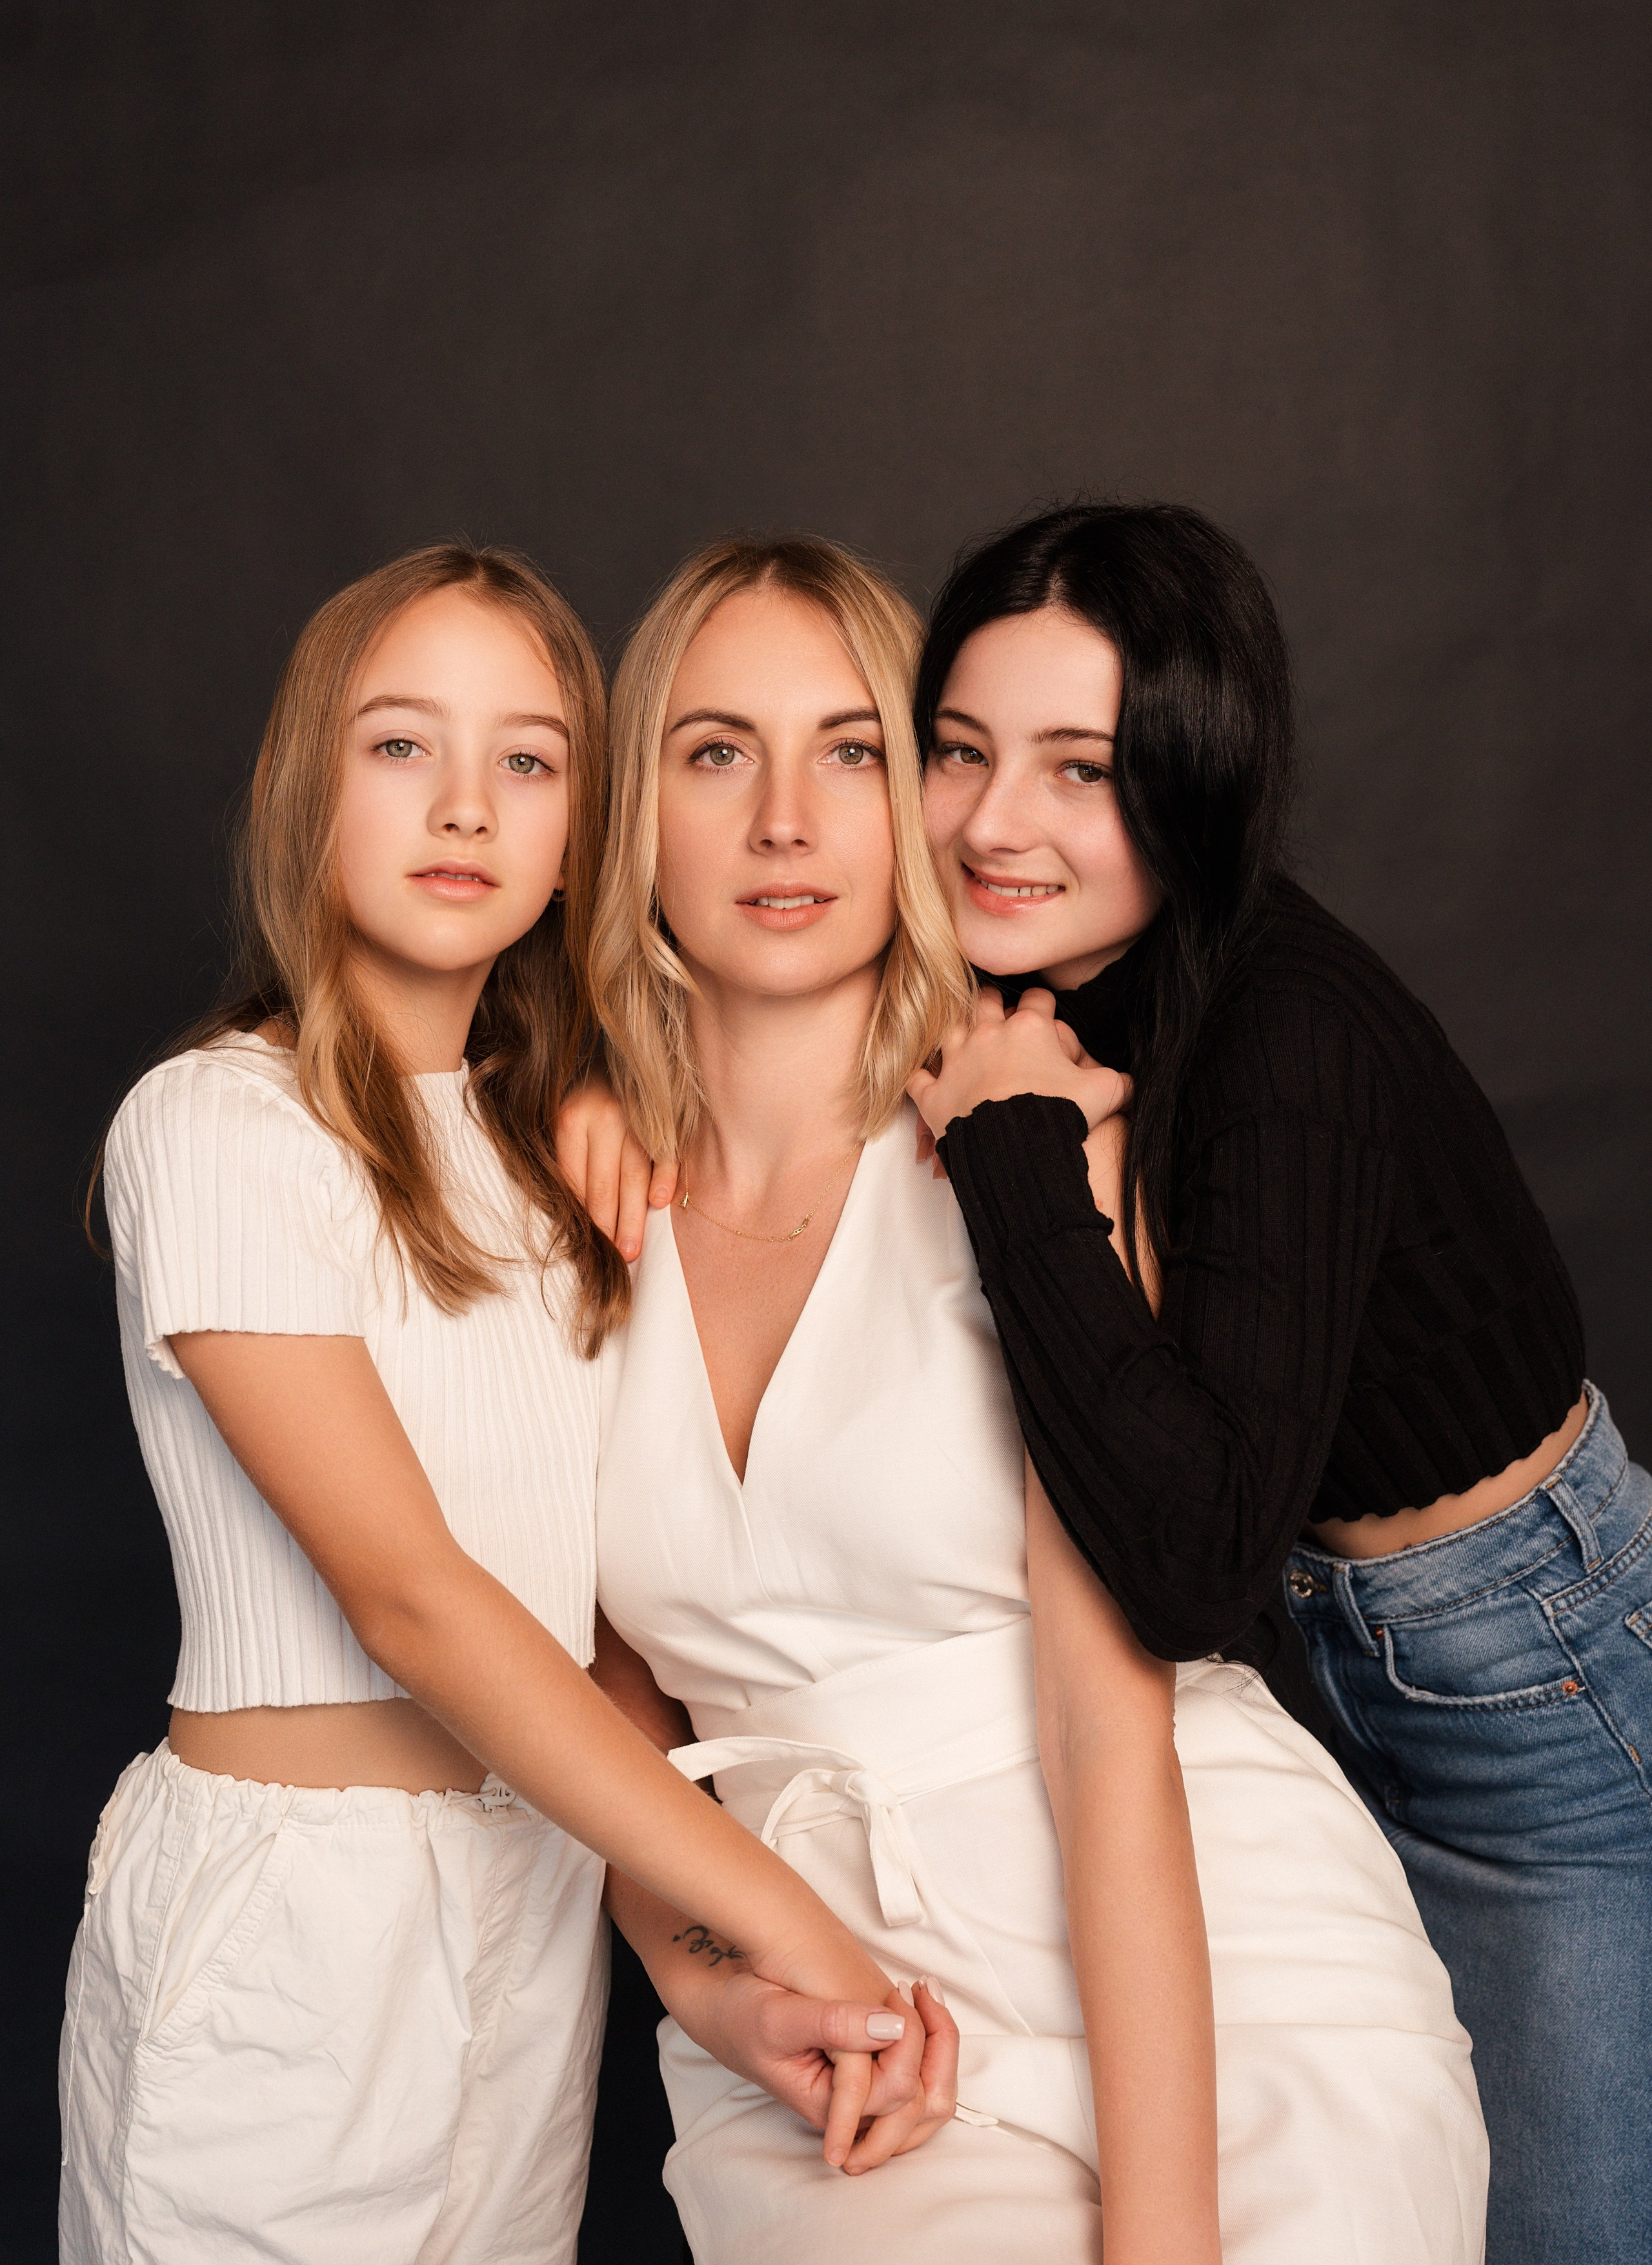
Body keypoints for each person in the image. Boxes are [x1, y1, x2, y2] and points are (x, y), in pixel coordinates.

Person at [585, 532, 1488, 2263]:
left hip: (1217, 1978)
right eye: (717, 751)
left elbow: (1107, 1725)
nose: (787, 818)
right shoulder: (555, 1201)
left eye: (852, 749)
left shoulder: (1045, 1137)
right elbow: (609, 1712)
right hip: (844, 2016)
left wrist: (1168, 2239)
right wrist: (710, 1988)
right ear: (641, 810)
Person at [61, 543, 951, 2265]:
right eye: (401, 746)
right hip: (289, 1928)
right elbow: (418, 1598)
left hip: (531, 1912)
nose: (465, 804)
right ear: (308, 784)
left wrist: (706, 1974)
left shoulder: (564, 1162)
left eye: (528, 760)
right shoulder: (215, 1123)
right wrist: (788, 1919)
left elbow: (597, 1632)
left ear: (574, 841)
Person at [907, 500, 1651, 2265]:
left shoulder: (1280, 1031)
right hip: (1362, 1676)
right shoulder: (1059, 974)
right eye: (956, 749)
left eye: (1080, 769)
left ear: (1194, 774)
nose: (995, 822)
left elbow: (1190, 1561)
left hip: (1541, 1680)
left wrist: (1015, 1149)